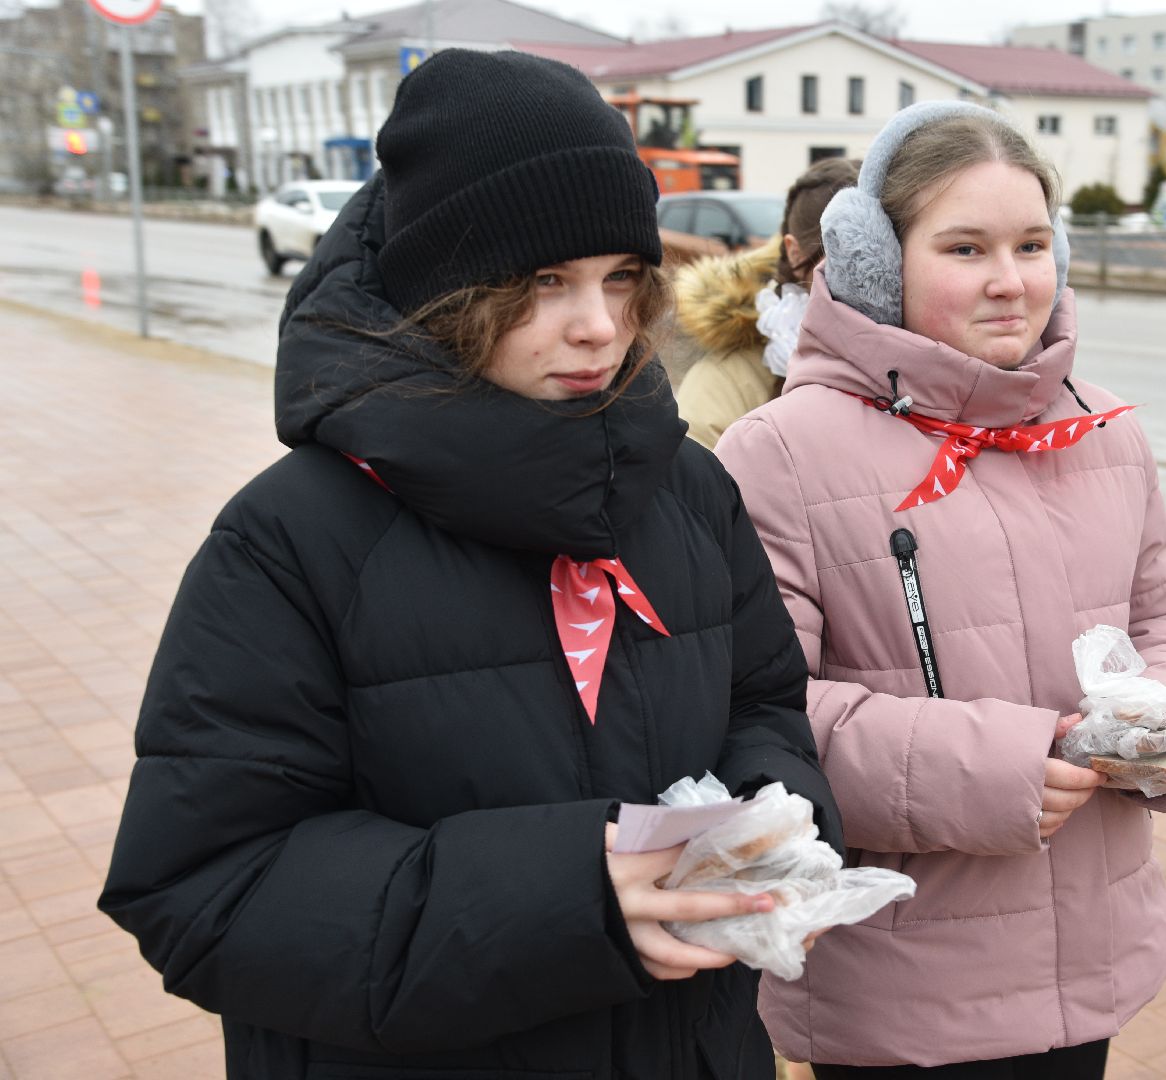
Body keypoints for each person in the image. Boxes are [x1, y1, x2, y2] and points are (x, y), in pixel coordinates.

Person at [98, 49, 840, 1080]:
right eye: (544, 282)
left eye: (620, 278)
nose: (598, 326)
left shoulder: (688, 490)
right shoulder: (288, 539)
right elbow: (204, 885)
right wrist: (570, 901)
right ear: (444, 291)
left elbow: (761, 702)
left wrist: (774, 815)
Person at [714, 101, 1166, 1077]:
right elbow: (755, 713)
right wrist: (997, 770)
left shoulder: (1105, 432)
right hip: (901, 990)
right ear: (875, 262)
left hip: (1092, 961)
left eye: (1031, 245)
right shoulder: (778, 453)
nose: (1010, 281)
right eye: (965, 248)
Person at [674, 156, 859, 448]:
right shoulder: (727, 381)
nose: (869, 277)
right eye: (846, 255)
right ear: (794, 253)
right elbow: (692, 471)